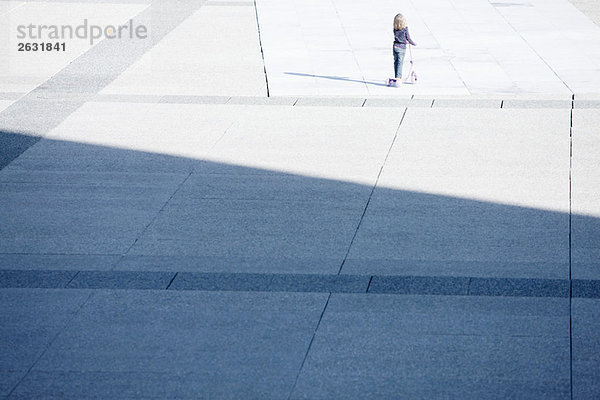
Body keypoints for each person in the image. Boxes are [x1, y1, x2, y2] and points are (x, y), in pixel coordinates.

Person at [390, 13, 416, 86]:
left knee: (396, 62)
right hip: (401, 48)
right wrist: (413, 43)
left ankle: (396, 76)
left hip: (395, 47)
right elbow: (408, 38)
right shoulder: (405, 29)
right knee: (400, 63)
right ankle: (398, 78)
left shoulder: (395, 29)